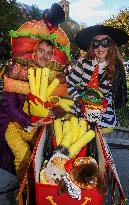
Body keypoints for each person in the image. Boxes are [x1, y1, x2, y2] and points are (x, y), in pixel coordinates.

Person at [0, 3, 71, 181]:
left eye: (49, 52)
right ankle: (23, 194)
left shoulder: (56, 77)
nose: (44, 56)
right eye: (41, 50)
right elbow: (7, 102)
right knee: (23, 156)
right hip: (14, 125)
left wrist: (51, 113)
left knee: (44, 157)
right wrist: (27, 121)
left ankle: (36, 189)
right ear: (34, 51)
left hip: (40, 127)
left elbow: (64, 103)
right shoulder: (17, 69)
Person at [67, 25, 129, 128]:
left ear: (110, 46)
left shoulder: (116, 69)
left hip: (103, 114)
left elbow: (115, 96)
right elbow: (70, 83)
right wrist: (79, 99)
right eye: (96, 43)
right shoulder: (84, 63)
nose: (100, 48)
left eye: (104, 43)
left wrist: (99, 105)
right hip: (80, 109)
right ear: (92, 46)